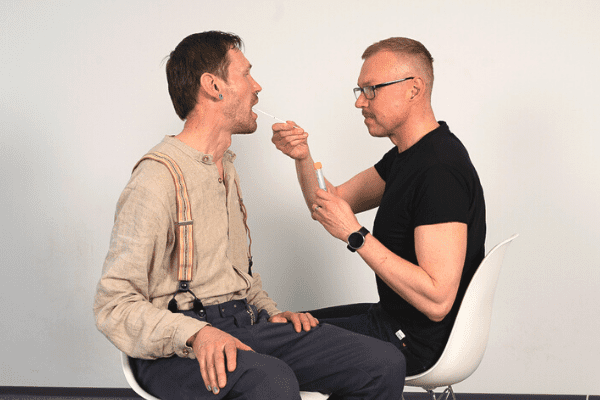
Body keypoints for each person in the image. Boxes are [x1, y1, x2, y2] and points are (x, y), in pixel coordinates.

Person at [93, 31, 405, 400]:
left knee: (383, 362)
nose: (257, 86)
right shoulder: (157, 177)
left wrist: (271, 311)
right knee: (270, 381)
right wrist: (194, 334)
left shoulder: (225, 168)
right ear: (213, 86)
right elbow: (112, 305)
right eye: (245, 74)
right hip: (178, 347)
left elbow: (237, 275)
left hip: (245, 326)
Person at [271, 37, 486, 376]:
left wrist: (357, 236)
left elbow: (438, 300)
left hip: (413, 342)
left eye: (371, 89)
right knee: (277, 329)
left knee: (272, 347)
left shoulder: (439, 169)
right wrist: (302, 157)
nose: (359, 102)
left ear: (414, 89)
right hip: (388, 320)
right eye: (359, 90)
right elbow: (328, 204)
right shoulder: (408, 156)